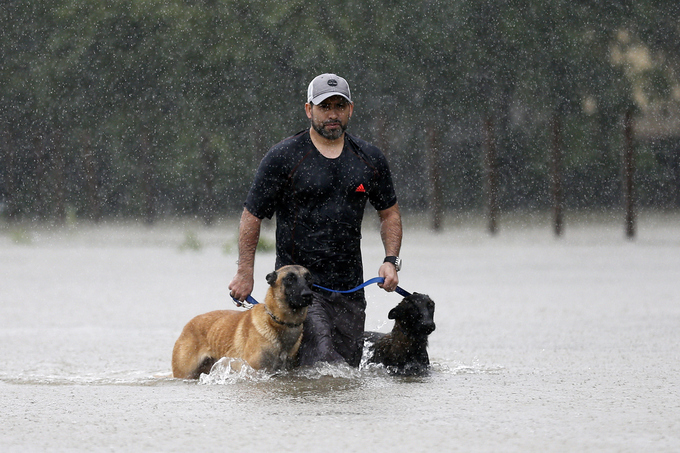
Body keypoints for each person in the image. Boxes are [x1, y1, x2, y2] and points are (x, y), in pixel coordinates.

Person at [229, 73, 402, 367]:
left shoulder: (369, 158)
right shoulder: (283, 156)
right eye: (324, 107)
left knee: (346, 372)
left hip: (350, 287)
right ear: (309, 109)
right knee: (323, 365)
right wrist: (245, 271)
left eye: (339, 106)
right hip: (297, 287)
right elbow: (252, 216)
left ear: (350, 109)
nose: (332, 114)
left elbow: (390, 214)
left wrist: (390, 260)